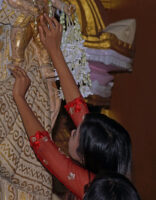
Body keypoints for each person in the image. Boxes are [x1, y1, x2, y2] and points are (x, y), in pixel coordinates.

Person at [10, 14, 132, 199]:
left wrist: (19, 97)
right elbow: (78, 107)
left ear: (85, 159)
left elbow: (45, 149)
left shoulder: (97, 190)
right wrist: (54, 49)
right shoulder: (113, 174)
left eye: (78, 134)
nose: (74, 129)